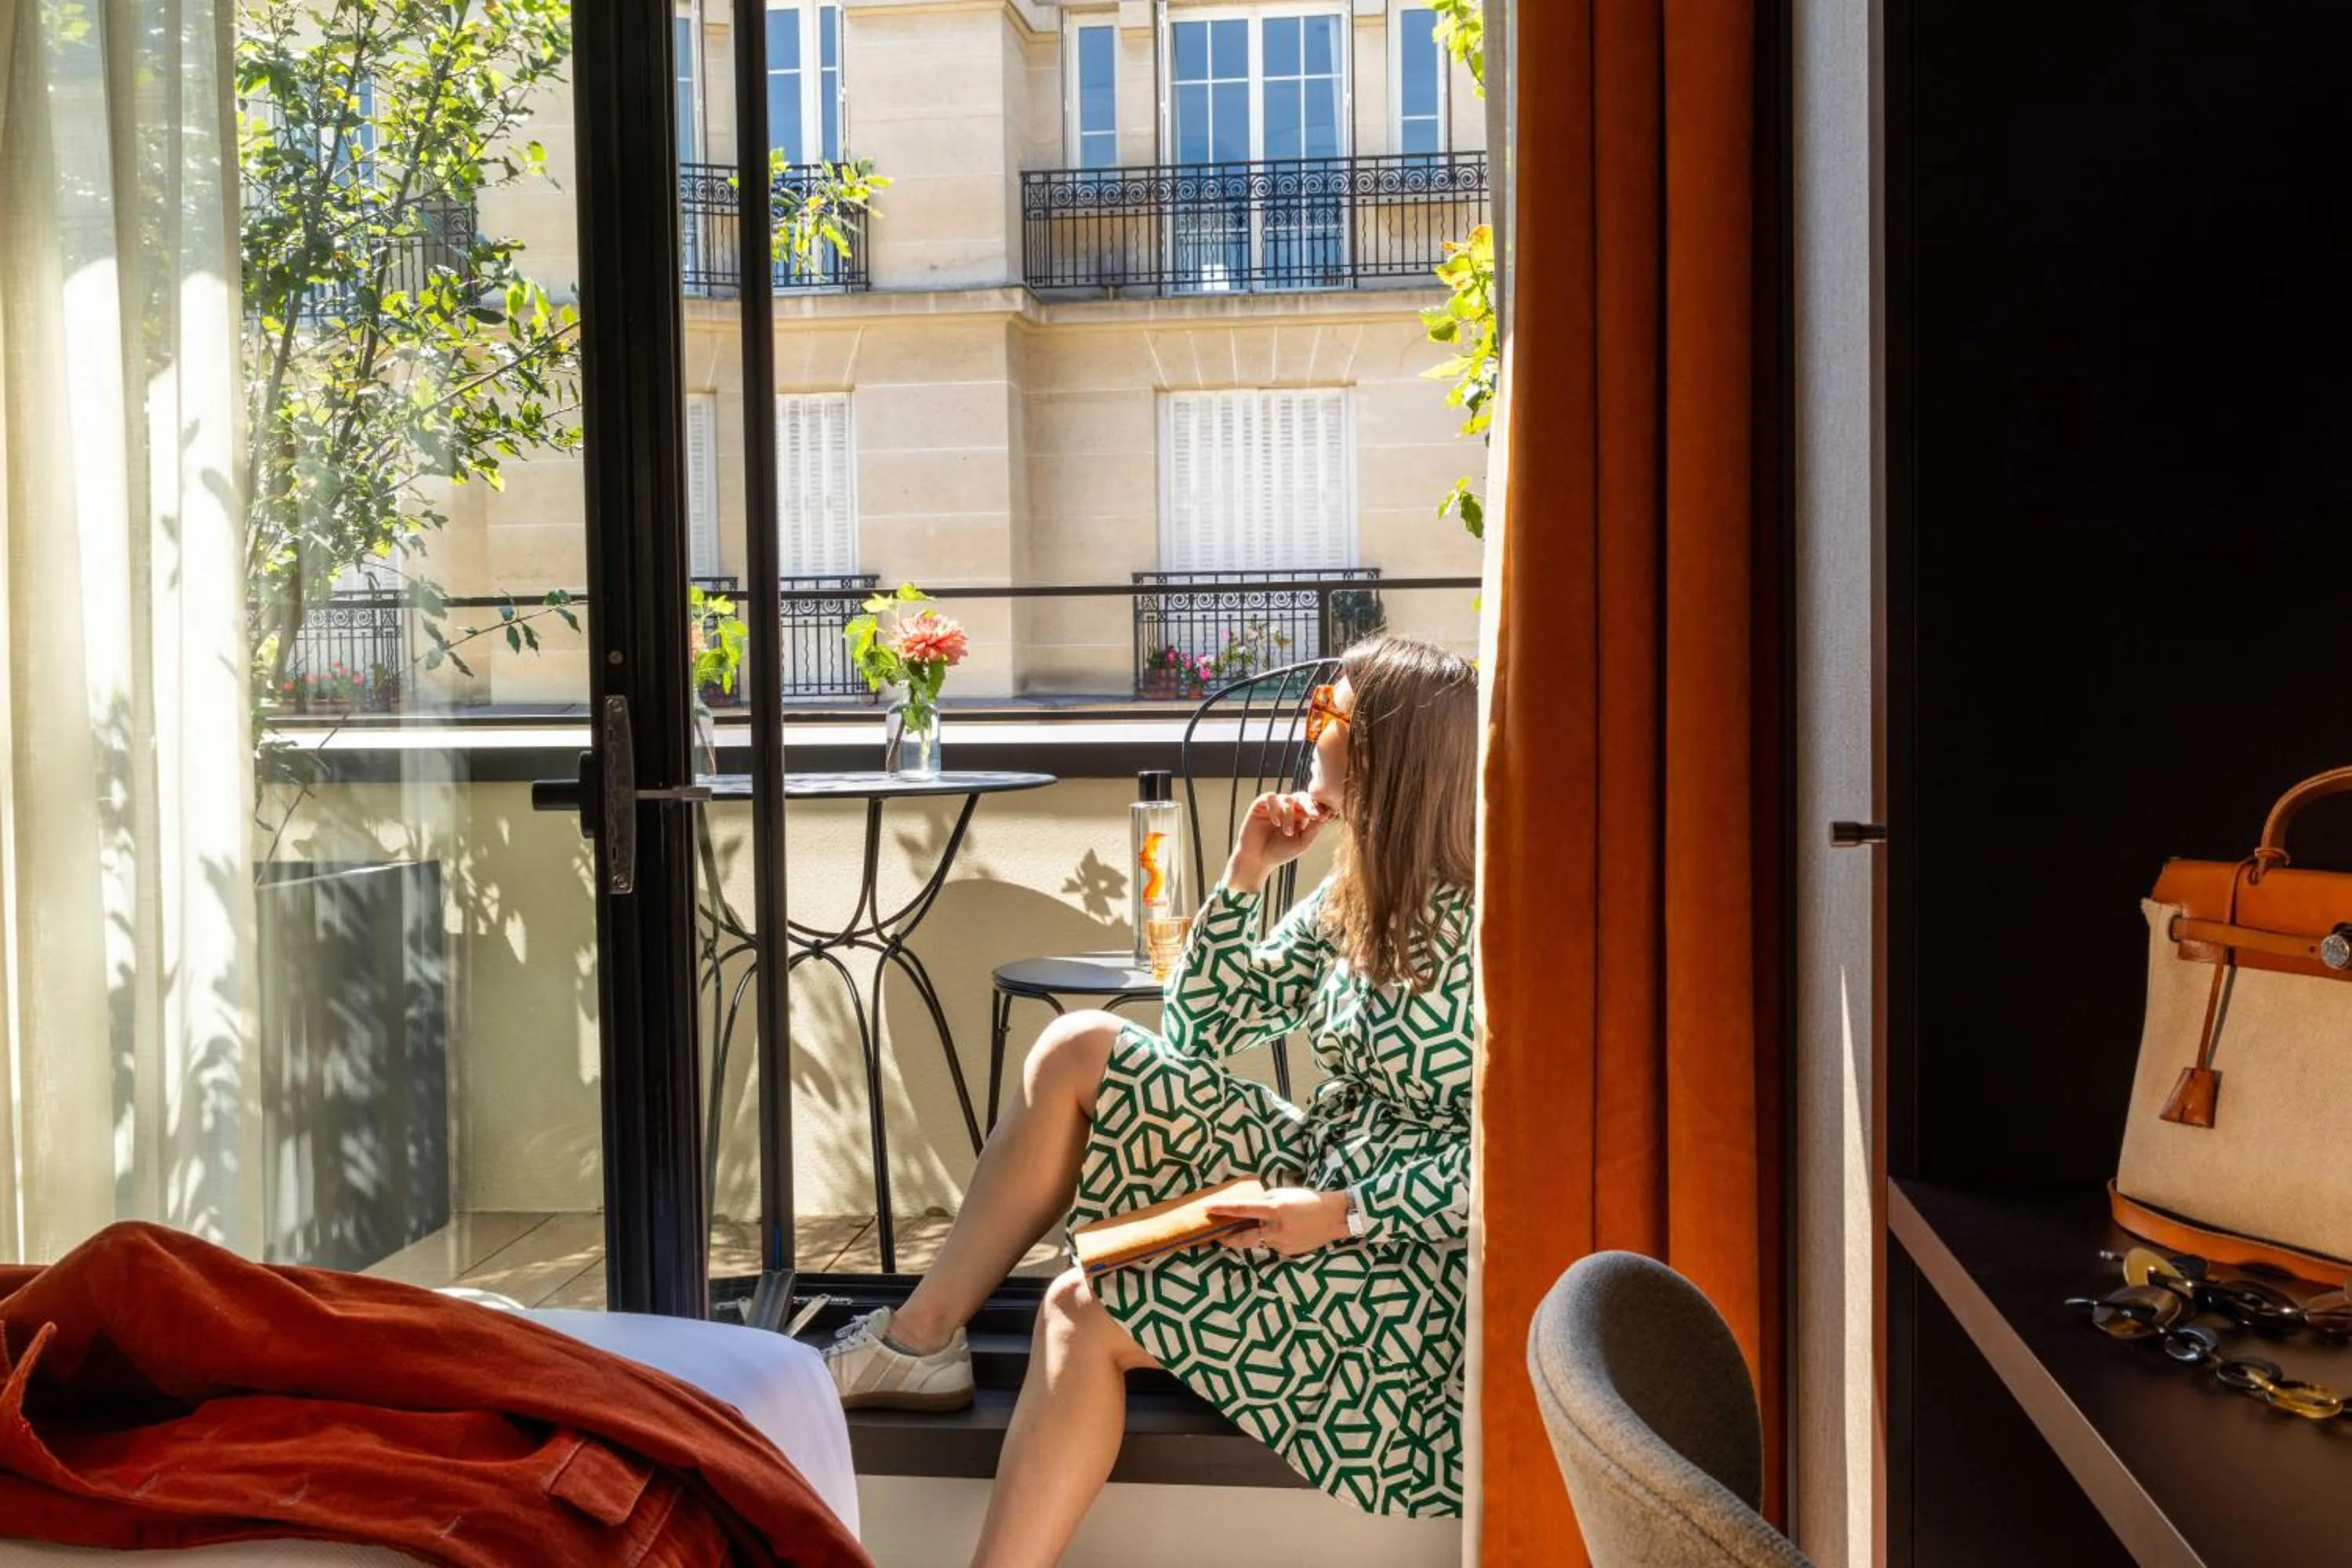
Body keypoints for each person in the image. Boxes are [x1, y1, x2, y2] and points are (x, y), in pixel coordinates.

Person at [822, 633, 1479, 1564]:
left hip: (1407, 1269)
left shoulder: (1504, 925)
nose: (1310, 733)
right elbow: (1204, 1031)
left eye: (1328, 715)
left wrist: (1336, 1213)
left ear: (1390, 754)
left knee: (1079, 1302)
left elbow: (1510, 1166)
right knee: (1077, 1044)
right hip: (1315, 1174)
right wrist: (1247, 874)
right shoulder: (1355, 890)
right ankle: (921, 1337)